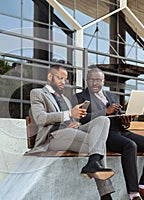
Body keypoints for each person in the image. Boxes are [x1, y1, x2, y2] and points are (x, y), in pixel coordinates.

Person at [71, 67, 144, 200]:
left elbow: (120, 118)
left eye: (98, 80)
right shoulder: (79, 97)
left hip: (121, 131)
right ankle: (133, 194)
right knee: (130, 145)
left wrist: (127, 119)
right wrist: (105, 112)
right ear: (87, 81)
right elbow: (81, 119)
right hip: (102, 135)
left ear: (103, 81)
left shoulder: (112, 96)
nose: (94, 83)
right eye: (91, 80)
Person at [29, 65, 115, 200]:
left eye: (65, 79)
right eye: (60, 78)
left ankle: (93, 162)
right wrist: (69, 113)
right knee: (98, 143)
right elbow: (40, 118)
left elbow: (72, 120)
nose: (63, 82)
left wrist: (76, 122)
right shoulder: (38, 93)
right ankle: (105, 194)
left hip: (71, 133)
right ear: (50, 77)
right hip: (53, 136)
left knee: (103, 120)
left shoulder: (66, 99)